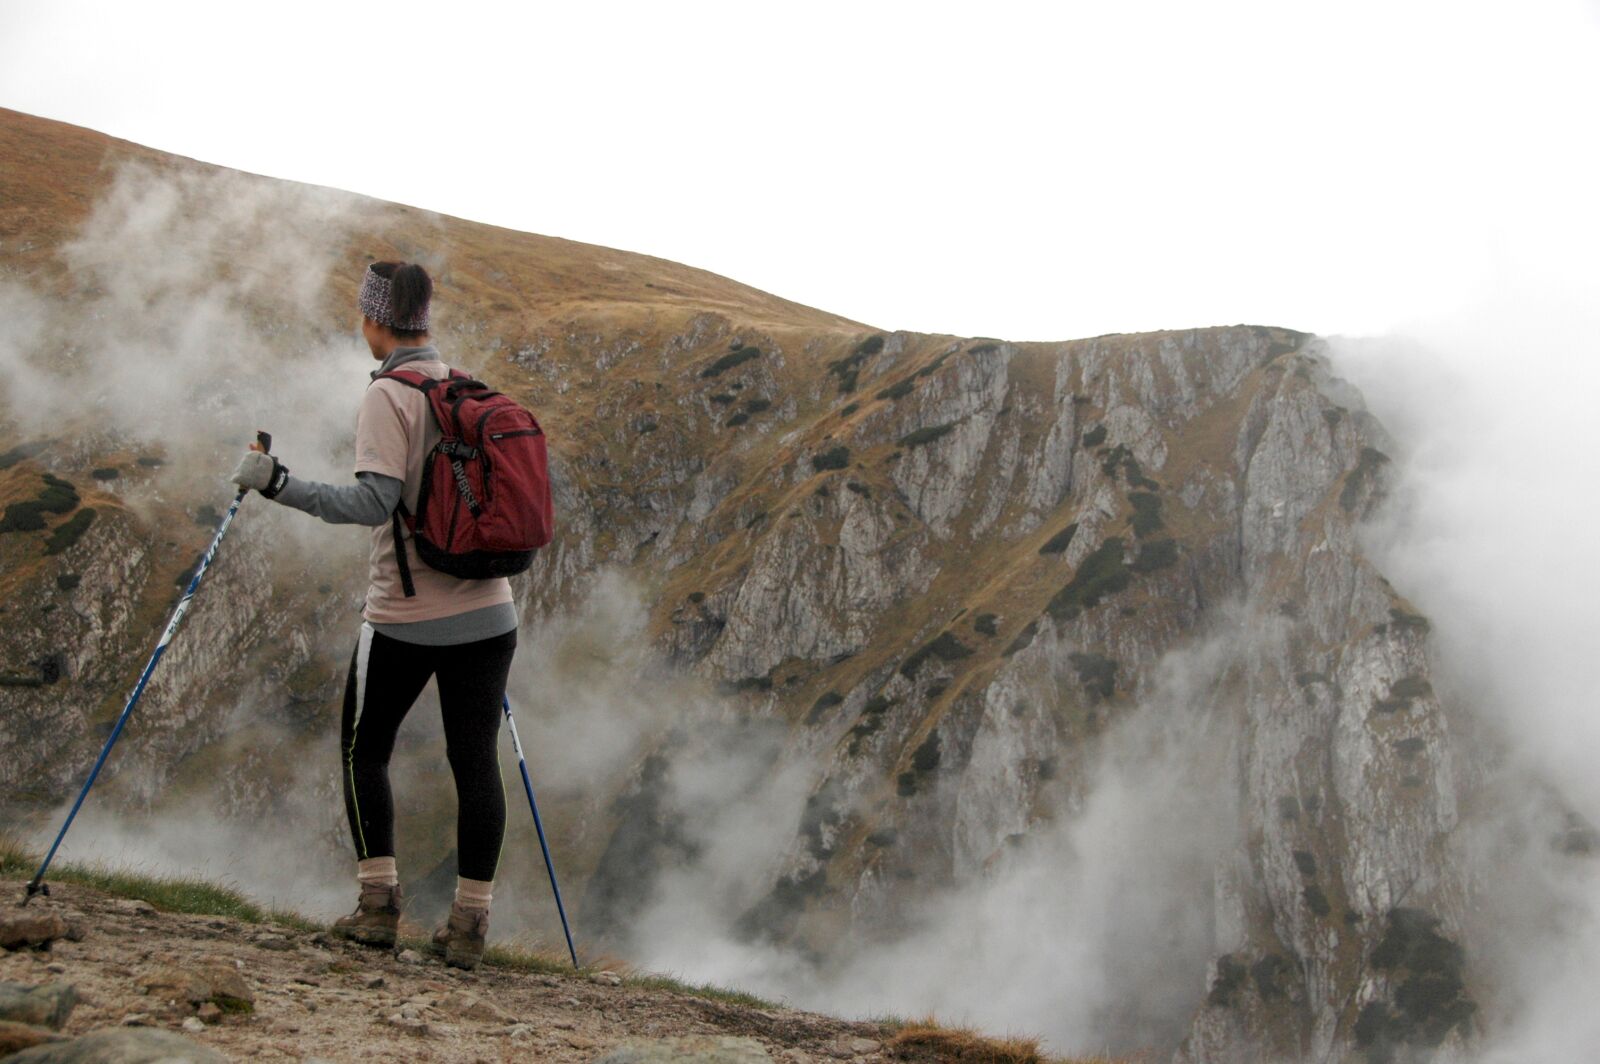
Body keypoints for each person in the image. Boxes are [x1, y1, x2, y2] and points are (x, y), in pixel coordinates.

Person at [231, 261, 516, 970]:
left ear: (375, 320)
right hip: (490, 613)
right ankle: (469, 926)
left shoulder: (389, 395)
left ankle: (378, 907)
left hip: (404, 615)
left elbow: (371, 503)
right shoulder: (461, 389)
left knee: (366, 749)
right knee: (476, 761)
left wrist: (279, 484)